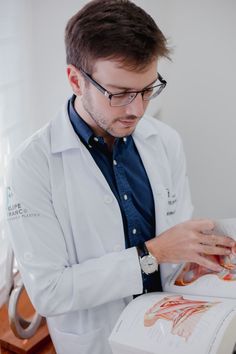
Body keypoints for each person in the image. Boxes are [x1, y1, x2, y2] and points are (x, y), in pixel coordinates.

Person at [4, 1, 235, 353]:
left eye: (146, 89)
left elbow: (176, 236)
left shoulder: (165, 141)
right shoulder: (31, 166)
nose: (137, 110)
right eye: (121, 93)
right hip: (98, 342)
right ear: (75, 80)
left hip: (172, 331)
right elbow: (50, 292)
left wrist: (202, 257)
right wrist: (152, 253)